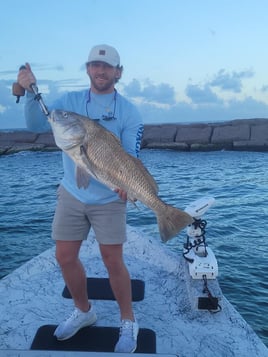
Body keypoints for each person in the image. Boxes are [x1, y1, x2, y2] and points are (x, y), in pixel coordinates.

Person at [18, 44, 144, 353]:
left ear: (119, 72)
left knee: (113, 260)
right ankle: (84, 311)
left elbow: (130, 157)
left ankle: (128, 321)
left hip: (109, 199)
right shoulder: (69, 103)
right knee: (64, 256)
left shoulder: (129, 111)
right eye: (94, 65)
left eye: (107, 67)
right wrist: (24, 92)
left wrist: (127, 185)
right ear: (87, 68)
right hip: (71, 194)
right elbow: (36, 124)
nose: (100, 71)